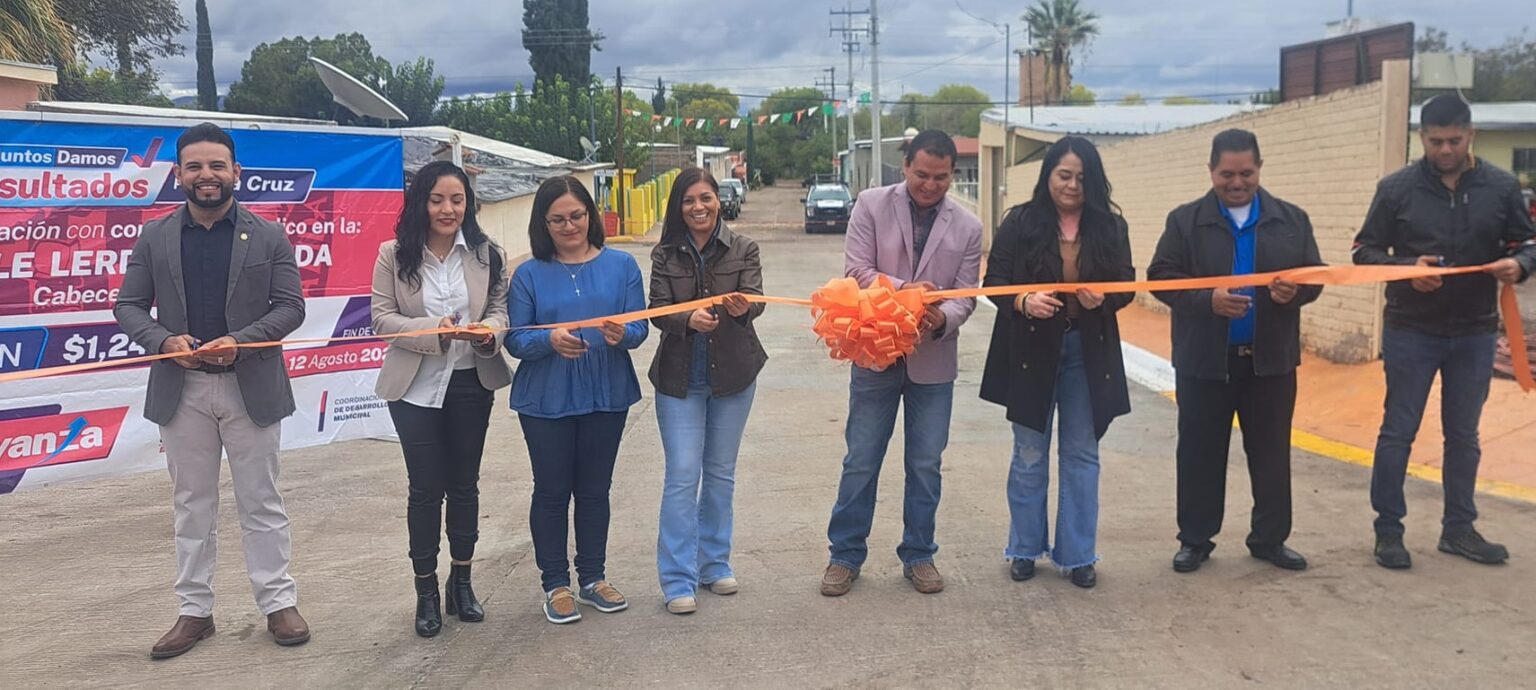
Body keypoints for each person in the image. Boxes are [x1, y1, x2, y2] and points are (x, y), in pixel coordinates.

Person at [114, 122, 310, 658]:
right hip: (184, 391)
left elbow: (291, 307)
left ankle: (278, 602)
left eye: (217, 165)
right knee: (191, 504)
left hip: (251, 388)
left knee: (262, 501)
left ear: (235, 173)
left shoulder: (268, 234)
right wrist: (162, 339)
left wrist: (240, 343)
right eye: (195, 166)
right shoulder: (155, 235)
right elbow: (127, 305)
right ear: (178, 174)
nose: (207, 176)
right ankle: (194, 612)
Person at [1352, 95, 1536, 569]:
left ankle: (1459, 529)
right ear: (1422, 138)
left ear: (1470, 134)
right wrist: (1404, 268)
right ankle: (1388, 531)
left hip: (1475, 332)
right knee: (1398, 430)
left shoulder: (1500, 186)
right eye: (1436, 142)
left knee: (1464, 435)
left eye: (1454, 140)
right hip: (1412, 329)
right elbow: (1364, 252)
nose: (1446, 150)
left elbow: (1527, 241)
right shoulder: (1396, 189)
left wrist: (1519, 264)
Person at [1148, 129, 1323, 574]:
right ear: (1211, 171)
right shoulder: (1185, 221)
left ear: (1259, 168)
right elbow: (1162, 277)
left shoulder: (1291, 220)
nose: (1237, 182)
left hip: (1271, 361)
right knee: (1200, 454)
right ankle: (1195, 539)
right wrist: (1207, 300)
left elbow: (1317, 275)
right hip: (1205, 362)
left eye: (1246, 173)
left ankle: (1269, 539)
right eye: (1227, 174)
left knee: (1270, 454)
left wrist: (1295, 292)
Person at [820, 130, 983, 597]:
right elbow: (857, 272)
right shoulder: (870, 205)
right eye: (921, 174)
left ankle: (919, 553)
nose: (930, 185)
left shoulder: (969, 227)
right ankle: (844, 556)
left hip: (933, 361)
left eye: (941, 178)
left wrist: (937, 320)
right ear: (904, 165)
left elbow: (966, 297)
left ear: (952, 175)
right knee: (861, 460)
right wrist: (910, 297)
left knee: (926, 464)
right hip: (874, 356)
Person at [979, 136, 1135, 589]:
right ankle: (1024, 548)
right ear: (1048, 175)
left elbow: (1126, 284)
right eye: (1064, 175)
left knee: (1082, 454)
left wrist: (1104, 298)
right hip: (1030, 353)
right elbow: (996, 282)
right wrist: (1024, 301)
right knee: (1029, 453)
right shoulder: (1021, 223)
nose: (1071, 186)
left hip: (1087, 355)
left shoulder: (1110, 228)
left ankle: (1078, 553)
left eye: (1082, 178)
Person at [371, 161, 511, 637]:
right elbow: (381, 319)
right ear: (421, 203)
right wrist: (434, 332)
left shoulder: (486, 254)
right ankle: (426, 592)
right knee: (426, 490)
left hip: (472, 382)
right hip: (413, 388)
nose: (448, 209)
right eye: (437, 199)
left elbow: (498, 309)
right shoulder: (394, 255)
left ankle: (462, 583)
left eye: (457, 199)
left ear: (468, 203)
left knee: (465, 487)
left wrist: (489, 332)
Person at [506, 175, 649, 624]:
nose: (570, 226)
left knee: (594, 489)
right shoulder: (527, 274)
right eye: (558, 219)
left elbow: (641, 328)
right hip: (546, 397)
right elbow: (516, 338)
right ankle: (555, 583)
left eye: (577, 216)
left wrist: (622, 334)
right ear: (543, 224)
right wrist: (550, 339)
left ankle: (592, 577)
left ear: (591, 215)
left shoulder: (623, 265)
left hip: (606, 392)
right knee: (551, 491)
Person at [647, 167, 768, 615]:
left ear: (719, 200)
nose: (698, 207)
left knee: (720, 473)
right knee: (682, 475)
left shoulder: (743, 248)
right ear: (678, 207)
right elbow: (658, 311)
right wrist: (687, 320)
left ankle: (714, 564)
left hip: (735, 375)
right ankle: (677, 578)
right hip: (680, 380)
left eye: (706, 198)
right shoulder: (665, 254)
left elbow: (756, 299)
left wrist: (742, 307)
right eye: (688, 201)